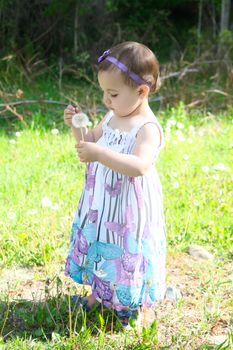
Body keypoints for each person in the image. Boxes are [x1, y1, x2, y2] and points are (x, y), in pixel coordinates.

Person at [64, 41, 166, 328]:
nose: (106, 100)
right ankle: (99, 294)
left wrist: (100, 154)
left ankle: (127, 304)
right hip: (103, 204)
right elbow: (90, 142)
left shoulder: (147, 128)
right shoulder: (112, 116)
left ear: (141, 91)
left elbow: (139, 166)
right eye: (104, 93)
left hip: (128, 209)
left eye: (113, 93)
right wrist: (77, 124)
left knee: (124, 250)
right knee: (102, 243)